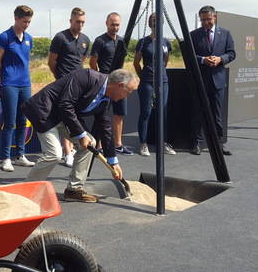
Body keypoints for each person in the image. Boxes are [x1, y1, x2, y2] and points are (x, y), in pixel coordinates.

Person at [23, 69, 137, 203]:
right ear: (119, 85)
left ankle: (74, 190)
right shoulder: (86, 77)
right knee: (54, 154)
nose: (126, 97)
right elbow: (65, 104)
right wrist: (81, 134)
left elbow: (105, 126)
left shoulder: (106, 97)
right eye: (128, 92)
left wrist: (113, 161)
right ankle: (26, 190)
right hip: (45, 111)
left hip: (64, 117)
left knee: (90, 144)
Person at [0, 5, 36, 172]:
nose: (27, 24)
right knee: (10, 122)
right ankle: (5, 158)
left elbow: (26, 60)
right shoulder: (4, 37)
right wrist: (6, 77)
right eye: (24, 21)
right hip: (9, 84)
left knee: (22, 120)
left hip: (25, 84)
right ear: (16, 18)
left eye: (29, 22)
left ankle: (20, 155)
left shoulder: (29, 38)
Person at [189, 5, 236, 156]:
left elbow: (232, 53)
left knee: (217, 114)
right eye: (202, 20)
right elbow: (188, 56)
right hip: (200, 80)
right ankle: (197, 143)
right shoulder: (193, 35)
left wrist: (220, 59)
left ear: (215, 17)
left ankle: (219, 144)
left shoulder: (226, 34)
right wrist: (203, 60)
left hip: (218, 79)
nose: (205, 23)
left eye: (208, 19)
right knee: (198, 112)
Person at [48, 7, 90, 167]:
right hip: (63, 84)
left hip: (79, 86)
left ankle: (73, 149)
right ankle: (67, 153)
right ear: (71, 20)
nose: (80, 25)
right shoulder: (60, 37)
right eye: (77, 21)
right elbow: (52, 62)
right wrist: (60, 79)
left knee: (76, 118)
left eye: (83, 22)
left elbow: (82, 60)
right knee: (65, 118)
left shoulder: (86, 39)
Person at [133, 13, 176, 157]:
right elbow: (136, 63)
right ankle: (143, 144)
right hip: (147, 82)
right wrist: (144, 76)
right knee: (146, 112)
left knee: (162, 113)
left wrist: (160, 73)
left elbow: (165, 61)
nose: (155, 24)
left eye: (158, 21)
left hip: (163, 81)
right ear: (149, 24)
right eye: (153, 21)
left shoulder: (165, 42)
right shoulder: (143, 42)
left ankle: (163, 143)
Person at [89, 12, 132, 155]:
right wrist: (100, 78)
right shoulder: (100, 40)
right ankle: (99, 145)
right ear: (107, 23)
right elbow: (92, 62)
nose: (115, 27)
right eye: (112, 24)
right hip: (106, 83)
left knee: (120, 113)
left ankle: (118, 144)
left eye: (117, 24)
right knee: (103, 114)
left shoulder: (121, 41)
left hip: (120, 83)